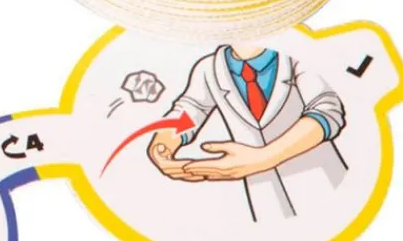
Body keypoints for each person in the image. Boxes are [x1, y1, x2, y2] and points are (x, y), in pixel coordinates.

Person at [147, 45, 346, 221]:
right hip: (264, 193)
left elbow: (326, 111)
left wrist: (263, 158)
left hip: (322, 183)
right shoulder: (209, 68)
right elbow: (191, 109)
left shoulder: (296, 56)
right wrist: (163, 145)